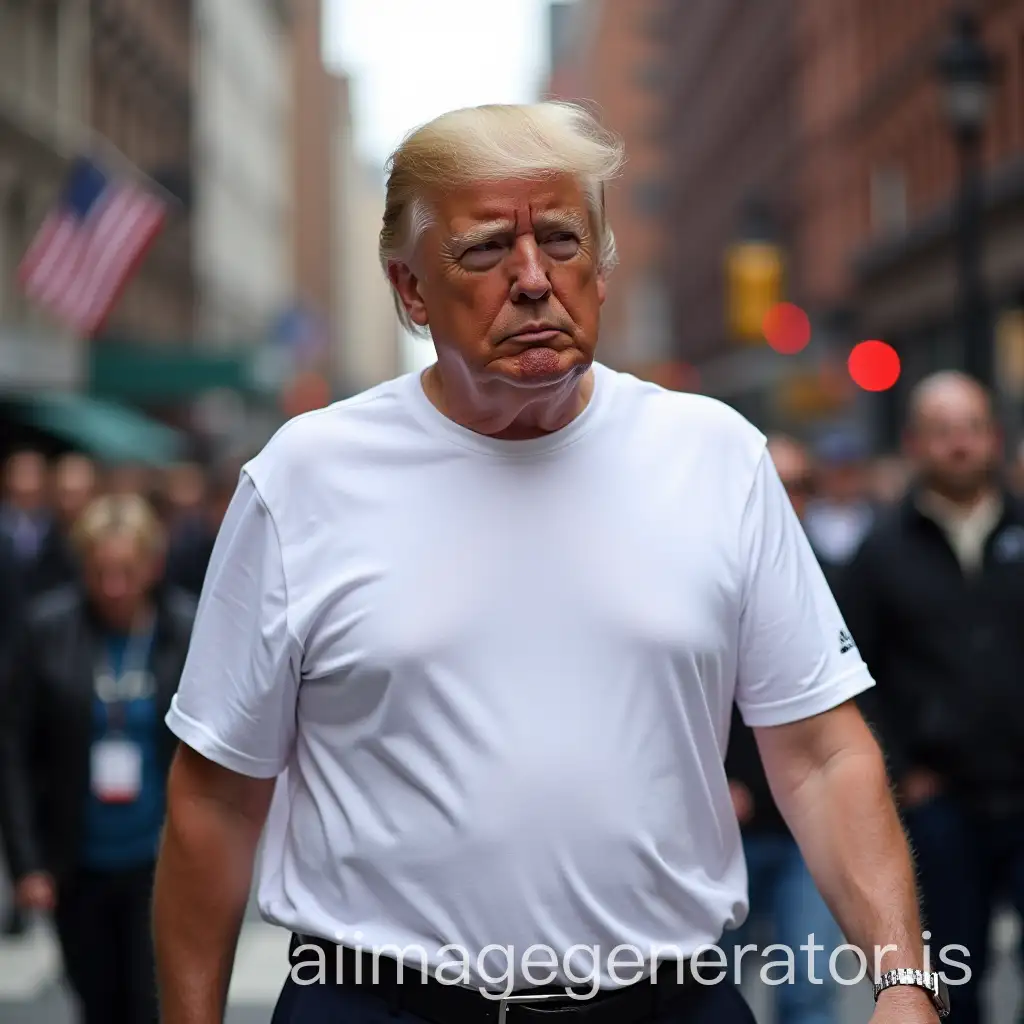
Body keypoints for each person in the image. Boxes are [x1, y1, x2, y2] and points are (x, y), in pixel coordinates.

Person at [153, 102, 944, 1024]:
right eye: (486, 250)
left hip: (671, 1001)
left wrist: (903, 980)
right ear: (410, 292)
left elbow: (820, 754)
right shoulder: (303, 477)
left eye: (563, 241)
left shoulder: (717, 455)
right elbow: (215, 797)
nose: (534, 280)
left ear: (602, 271)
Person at [844, 370, 1024, 1024]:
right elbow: (853, 676)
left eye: (972, 428)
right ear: (915, 442)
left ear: (994, 438)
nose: (959, 445)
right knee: (956, 984)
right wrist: (898, 773)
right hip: (940, 806)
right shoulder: (880, 552)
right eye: (943, 431)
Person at [0, 493, 196, 1024]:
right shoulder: (48, 631)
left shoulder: (186, 631)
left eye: (127, 571)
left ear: (152, 566)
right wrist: (26, 863)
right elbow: (14, 751)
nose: (113, 587)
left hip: (161, 861)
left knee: (149, 1002)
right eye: (100, 571)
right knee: (96, 1001)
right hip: (76, 859)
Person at [724, 435, 843, 1024]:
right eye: (777, 482)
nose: (787, 498)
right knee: (718, 988)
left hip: (810, 826)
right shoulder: (711, 571)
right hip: (728, 824)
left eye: (799, 485)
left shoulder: (839, 576)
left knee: (808, 989)